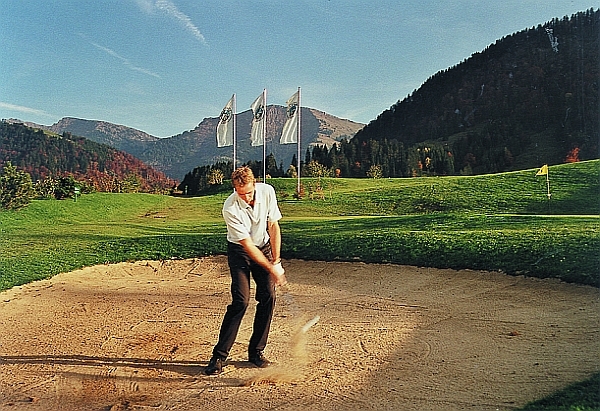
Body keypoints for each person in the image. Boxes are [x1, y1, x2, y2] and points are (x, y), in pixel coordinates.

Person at [205, 166, 287, 376]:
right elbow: (248, 246)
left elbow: (274, 226)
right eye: (241, 193)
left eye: (249, 192)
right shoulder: (230, 207)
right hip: (240, 251)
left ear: (255, 183)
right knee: (241, 301)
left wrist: (276, 261)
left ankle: (256, 352)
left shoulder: (267, 191)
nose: (246, 197)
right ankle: (219, 356)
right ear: (235, 189)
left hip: (265, 248)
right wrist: (272, 268)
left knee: (268, 296)